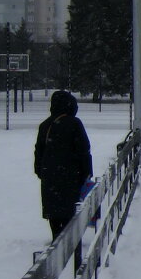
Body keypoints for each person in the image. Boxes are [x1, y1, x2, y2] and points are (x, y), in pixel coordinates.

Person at [34, 90, 93, 239]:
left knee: (54, 213)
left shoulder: (45, 125)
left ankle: (56, 242)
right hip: (70, 176)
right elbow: (84, 150)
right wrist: (86, 173)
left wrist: (42, 172)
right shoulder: (74, 123)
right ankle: (70, 247)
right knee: (69, 212)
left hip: (50, 177)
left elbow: (38, 152)